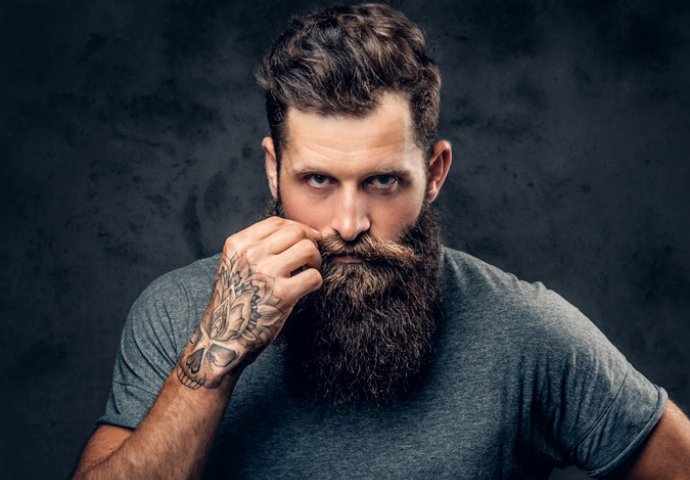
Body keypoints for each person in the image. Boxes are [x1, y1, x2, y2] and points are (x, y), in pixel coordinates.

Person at [73, 3, 690, 479]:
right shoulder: (178, 313)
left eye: (383, 181)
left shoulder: (528, 333)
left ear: (435, 173)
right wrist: (215, 356)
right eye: (318, 180)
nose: (349, 223)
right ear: (273, 170)